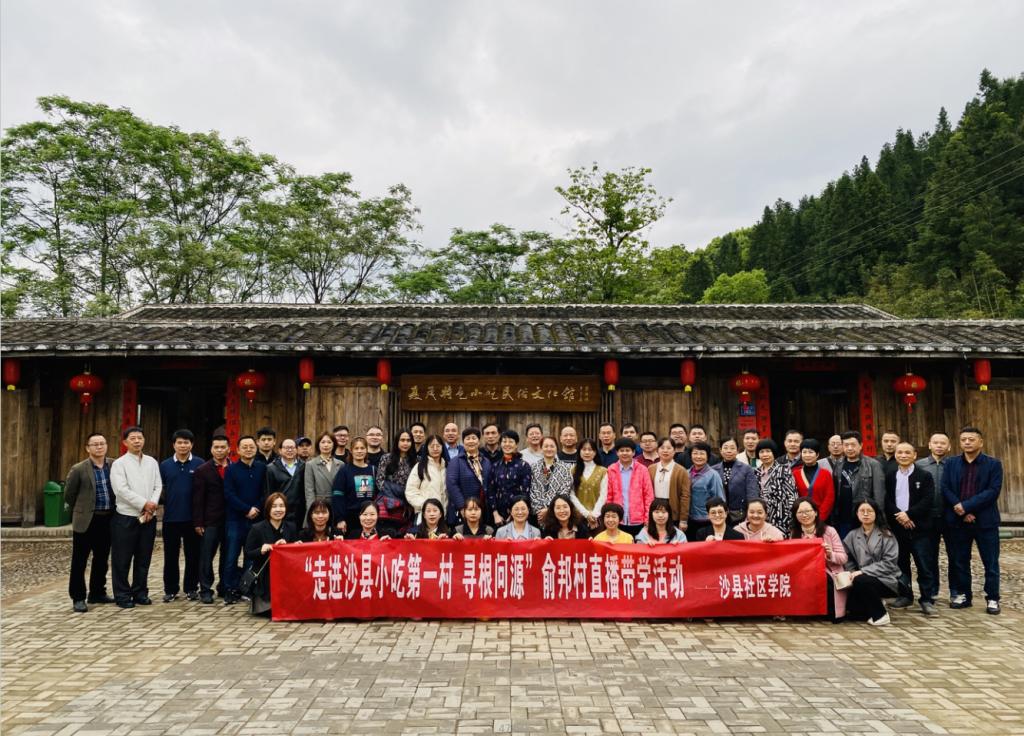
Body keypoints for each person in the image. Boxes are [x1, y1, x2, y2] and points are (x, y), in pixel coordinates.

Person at [942, 427, 1002, 614]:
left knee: (990, 562)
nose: (967, 442)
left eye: (971, 439)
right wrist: (960, 509)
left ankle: (992, 598)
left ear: (980, 442)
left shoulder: (993, 464)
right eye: (964, 439)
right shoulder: (951, 463)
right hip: (959, 520)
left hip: (985, 521)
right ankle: (963, 595)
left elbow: (992, 491)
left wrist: (967, 506)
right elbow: (945, 487)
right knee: (960, 560)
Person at [109, 426, 161, 609]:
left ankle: (140, 592)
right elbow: (121, 490)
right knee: (122, 559)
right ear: (125, 442)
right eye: (133, 438)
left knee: (143, 558)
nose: (137, 441)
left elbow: (158, 486)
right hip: (126, 517)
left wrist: (151, 506)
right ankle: (122, 595)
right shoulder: (119, 464)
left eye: (140, 437)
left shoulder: (151, 462)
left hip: (148, 517)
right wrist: (144, 504)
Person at [884, 441, 937, 615]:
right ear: (895, 455)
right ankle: (905, 595)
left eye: (907, 452)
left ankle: (927, 599)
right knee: (901, 564)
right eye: (900, 452)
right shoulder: (890, 476)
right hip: (898, 527)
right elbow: (887, 500)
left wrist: (909, 515)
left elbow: (928, 500)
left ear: (914, 455)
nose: (903, 455)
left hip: (919, 527)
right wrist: (900, 516)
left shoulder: (924, 475)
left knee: (924, 564)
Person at [64, 433, 115, 612]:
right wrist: (82, 509)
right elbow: (69, 494)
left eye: (102, 443)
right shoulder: (79, 469)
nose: (99, 447)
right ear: (88, 448)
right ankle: (78, 597)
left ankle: (97, 592)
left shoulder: (114, 465)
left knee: (102, 558)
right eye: (95, 444)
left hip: (107, 518)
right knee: (80, 560)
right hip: (86, 519)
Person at [159, 429, 204, 603]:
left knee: (193, 556)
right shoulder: (165, 465)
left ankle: (191, 588)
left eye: (186, 442)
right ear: (174, 445)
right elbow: (159, 489)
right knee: (170, 556)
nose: (183, 445)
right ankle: (170, 590)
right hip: (171, 518)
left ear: (192, 445)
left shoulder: (200, 464)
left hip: (193, 519)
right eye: (179, 442)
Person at [223, 436, 266, 604]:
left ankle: (247, 589)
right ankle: (230, 589)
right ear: (238, 450)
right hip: (235, 520)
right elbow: (229, 494)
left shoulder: (262, 468)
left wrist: (256, 508)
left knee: (251, 557)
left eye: (251, 446)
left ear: (256, 448)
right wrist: (246, 509)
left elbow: (265, 492)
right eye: (245, 447)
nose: (248, 449)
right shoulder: (231, 470)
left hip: (256, 520)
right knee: (231, 557)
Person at [843, 499, 900, 625]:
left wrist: (862, 571)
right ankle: (876, 602)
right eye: (862, 511)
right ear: (857, 514)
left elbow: (889, 563)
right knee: (854, 614)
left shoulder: (886, 535)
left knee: (861, 580)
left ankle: (881, 615)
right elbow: (847, 558)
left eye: (869, 511)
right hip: (860, 579)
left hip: (885, 579)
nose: (865, 514)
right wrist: (852, 572)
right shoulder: (852, 535)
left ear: (876, 513)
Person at [791, 498, 848, 622]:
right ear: (795, 515)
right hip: (804, 574)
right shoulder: (794, 534)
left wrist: (830, 554)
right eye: (800, 512)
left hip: (829, 573)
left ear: (816, 512)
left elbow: (843, 558)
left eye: (808, 511)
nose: (804, 515)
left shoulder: (829, 531)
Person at [243, 492, 298, 615]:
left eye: (281, 506)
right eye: (274, 506)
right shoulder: (257, 528)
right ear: (268, 509)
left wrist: (294, 546)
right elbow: (248, 553)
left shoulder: (291, 527)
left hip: (285, 574)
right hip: (264, 575)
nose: (278, 509)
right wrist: (261, 549)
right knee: (269, 611)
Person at [192, 434, 231, 604]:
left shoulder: (234, 467)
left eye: (223, 447)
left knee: (228, 556)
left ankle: (224, 586)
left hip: (230, 519)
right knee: (206, 556)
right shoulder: (203, 470)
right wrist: (198, 522)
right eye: (216, 447)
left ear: (229, 449)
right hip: (210, 521)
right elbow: (197, 498)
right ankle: (205, 589)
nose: (220, 450)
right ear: (211, 449)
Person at [916, 431, 951, 609]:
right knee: (929, 555)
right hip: (927, 517)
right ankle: (931, 590)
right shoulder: (919, 465)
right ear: (929, 445)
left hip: (950, 516)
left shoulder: (952, 465)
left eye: (942, 443)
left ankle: (957, 592)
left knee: (956, 556)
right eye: (935, 442)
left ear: (949, 446)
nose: (939, 446)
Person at [831, 430, 886, 538]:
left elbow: (879, 495)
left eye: (853, 445)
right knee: (845, 546)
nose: (849, 448)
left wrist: (878, 518)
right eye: (846, 445)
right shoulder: (839, 464)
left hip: (864, 517)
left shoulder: (873, 465)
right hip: (843, 516)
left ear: (861, 445)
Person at [605, 437, 655, 537]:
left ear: (633, 452)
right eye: (621, 450)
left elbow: (648, 496)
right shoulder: (611, 469)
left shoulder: (642, 470)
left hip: (639, 520)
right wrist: (610, 517)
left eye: (628, 450)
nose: (624, 453)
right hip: (618, 519)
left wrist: (647, 518)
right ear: (617, 453)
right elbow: (608, 496)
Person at [446, 427, 492, 526]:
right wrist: (463, 506)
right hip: (463, 510)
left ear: (479, 441)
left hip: (483, 509)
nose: (471, 441)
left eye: (474, 438)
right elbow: (452, 485)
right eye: (467, 438)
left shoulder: (486, 461)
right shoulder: (456, 461)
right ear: (463, 442)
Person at [375, 430, 416, 537]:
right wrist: (396, 498)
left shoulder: (417, 460)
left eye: (408, 440)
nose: (405, 443)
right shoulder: (386, 458)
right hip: (388, 504)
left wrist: (406, 498)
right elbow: (380, 481)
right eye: (402, 440)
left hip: (408, 505)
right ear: (397, 442)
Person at [331, 437, 376, 535]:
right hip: (350, 520)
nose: (359, 451)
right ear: (351, 451)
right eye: (356, 448)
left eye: (362, 448)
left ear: (366, 450)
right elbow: (338, 496)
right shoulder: (344, 471)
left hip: (370, 518)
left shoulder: (373, 470)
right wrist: (340, 519)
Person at [488, 429, 532, 528]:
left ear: (516, 445)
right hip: (498, 516)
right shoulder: (495, 466)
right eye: (504, 441)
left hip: (518, 514)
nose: (507, 444)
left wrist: (513, 515)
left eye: (511, 441)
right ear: (500, 444)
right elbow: (491, 491)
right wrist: (495, 514)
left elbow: (525, 492)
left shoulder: (524, 466)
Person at [755, 439, 798, 537]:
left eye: (768, 451)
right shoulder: (755, 472)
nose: (765, 454)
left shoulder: (784, 470)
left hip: (781, 515)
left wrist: (792, 517)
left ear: (774, 452)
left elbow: (792, 495)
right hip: (760, 516)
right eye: (762, 452)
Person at [685, 442, 726, 542]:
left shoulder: (713, 475)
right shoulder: (686, 473)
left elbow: (720, 499)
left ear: (707, 456)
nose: (698, 456)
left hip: (706, 520)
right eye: (695, 453)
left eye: (702, 453)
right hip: (689, 519)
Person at [529, 437, 574, 525]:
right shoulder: (534, 467)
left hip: (558, 512)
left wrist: (549, 509)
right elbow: (532, 491)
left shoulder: (566, 468)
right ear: (541, 448)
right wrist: (540, 510)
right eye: (546, 446)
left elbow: (565, 491)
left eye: (552, 446)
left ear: (557, 448)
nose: (549, 449)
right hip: (538, 514)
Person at [712, 437, 757, 524]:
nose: (729, 451)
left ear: (737, 450)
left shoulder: (746, 469)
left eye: (732, 448)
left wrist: (751, 511)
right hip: (718, 514)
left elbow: (752, 493)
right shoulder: (713, 470)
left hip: (740, 514)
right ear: (720, 450)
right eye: (725, 448)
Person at [650, 437, 690, 533]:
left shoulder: (681, 471)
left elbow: (685, 496)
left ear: (674, 450)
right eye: (662, 448)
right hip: (655, 509)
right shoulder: (651, 469)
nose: (665, 451)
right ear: (657, 450)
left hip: (673, 509)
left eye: (669, 448)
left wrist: (683, 519)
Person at [263, 438, 306, 527]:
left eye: (292, 448)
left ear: (296, 450)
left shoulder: (304, 466)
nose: (290, 450)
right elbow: (269, 492)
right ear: (280, 450)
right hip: (280, 511)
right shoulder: (271, 468)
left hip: (300, 512)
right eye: (286, 448)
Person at [406, 434, 448, 522]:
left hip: (444, 515)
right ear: (427, 448)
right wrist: (426, 505)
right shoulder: (420, 466)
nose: (435, 449)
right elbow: (410, 491)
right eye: (432, 446)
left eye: (438, 446)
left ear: (442, 447)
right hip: (424, 514)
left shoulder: (448, 466)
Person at [793, 439, 835, 521]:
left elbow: (829, 498)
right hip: (802, 517)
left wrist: (819, 518)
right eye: (804, 452)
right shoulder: (795, 474)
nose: (807, 455)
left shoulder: (826, 474)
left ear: (817, 454)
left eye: (811, 452)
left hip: (822, 518)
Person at [571, 439, 608, 530]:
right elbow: (571, 494)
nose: (587, 452)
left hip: (596, 518)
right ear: (579, 451)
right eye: (584, 449)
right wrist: (586, 514)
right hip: (577, 516)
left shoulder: (603, 471)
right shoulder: (572, 470)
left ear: (595, 452)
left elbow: (603, 495)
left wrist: (594, 515)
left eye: (590, 449)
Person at [305, 432, 344, 512]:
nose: (326, 445)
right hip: (319, 506)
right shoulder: (311, 464)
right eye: (323, 442)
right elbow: (309, 491)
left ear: (334, 445)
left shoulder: (340, 464)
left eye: (329, 442)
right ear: (318, 445)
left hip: (337, 504)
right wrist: (312, 509)